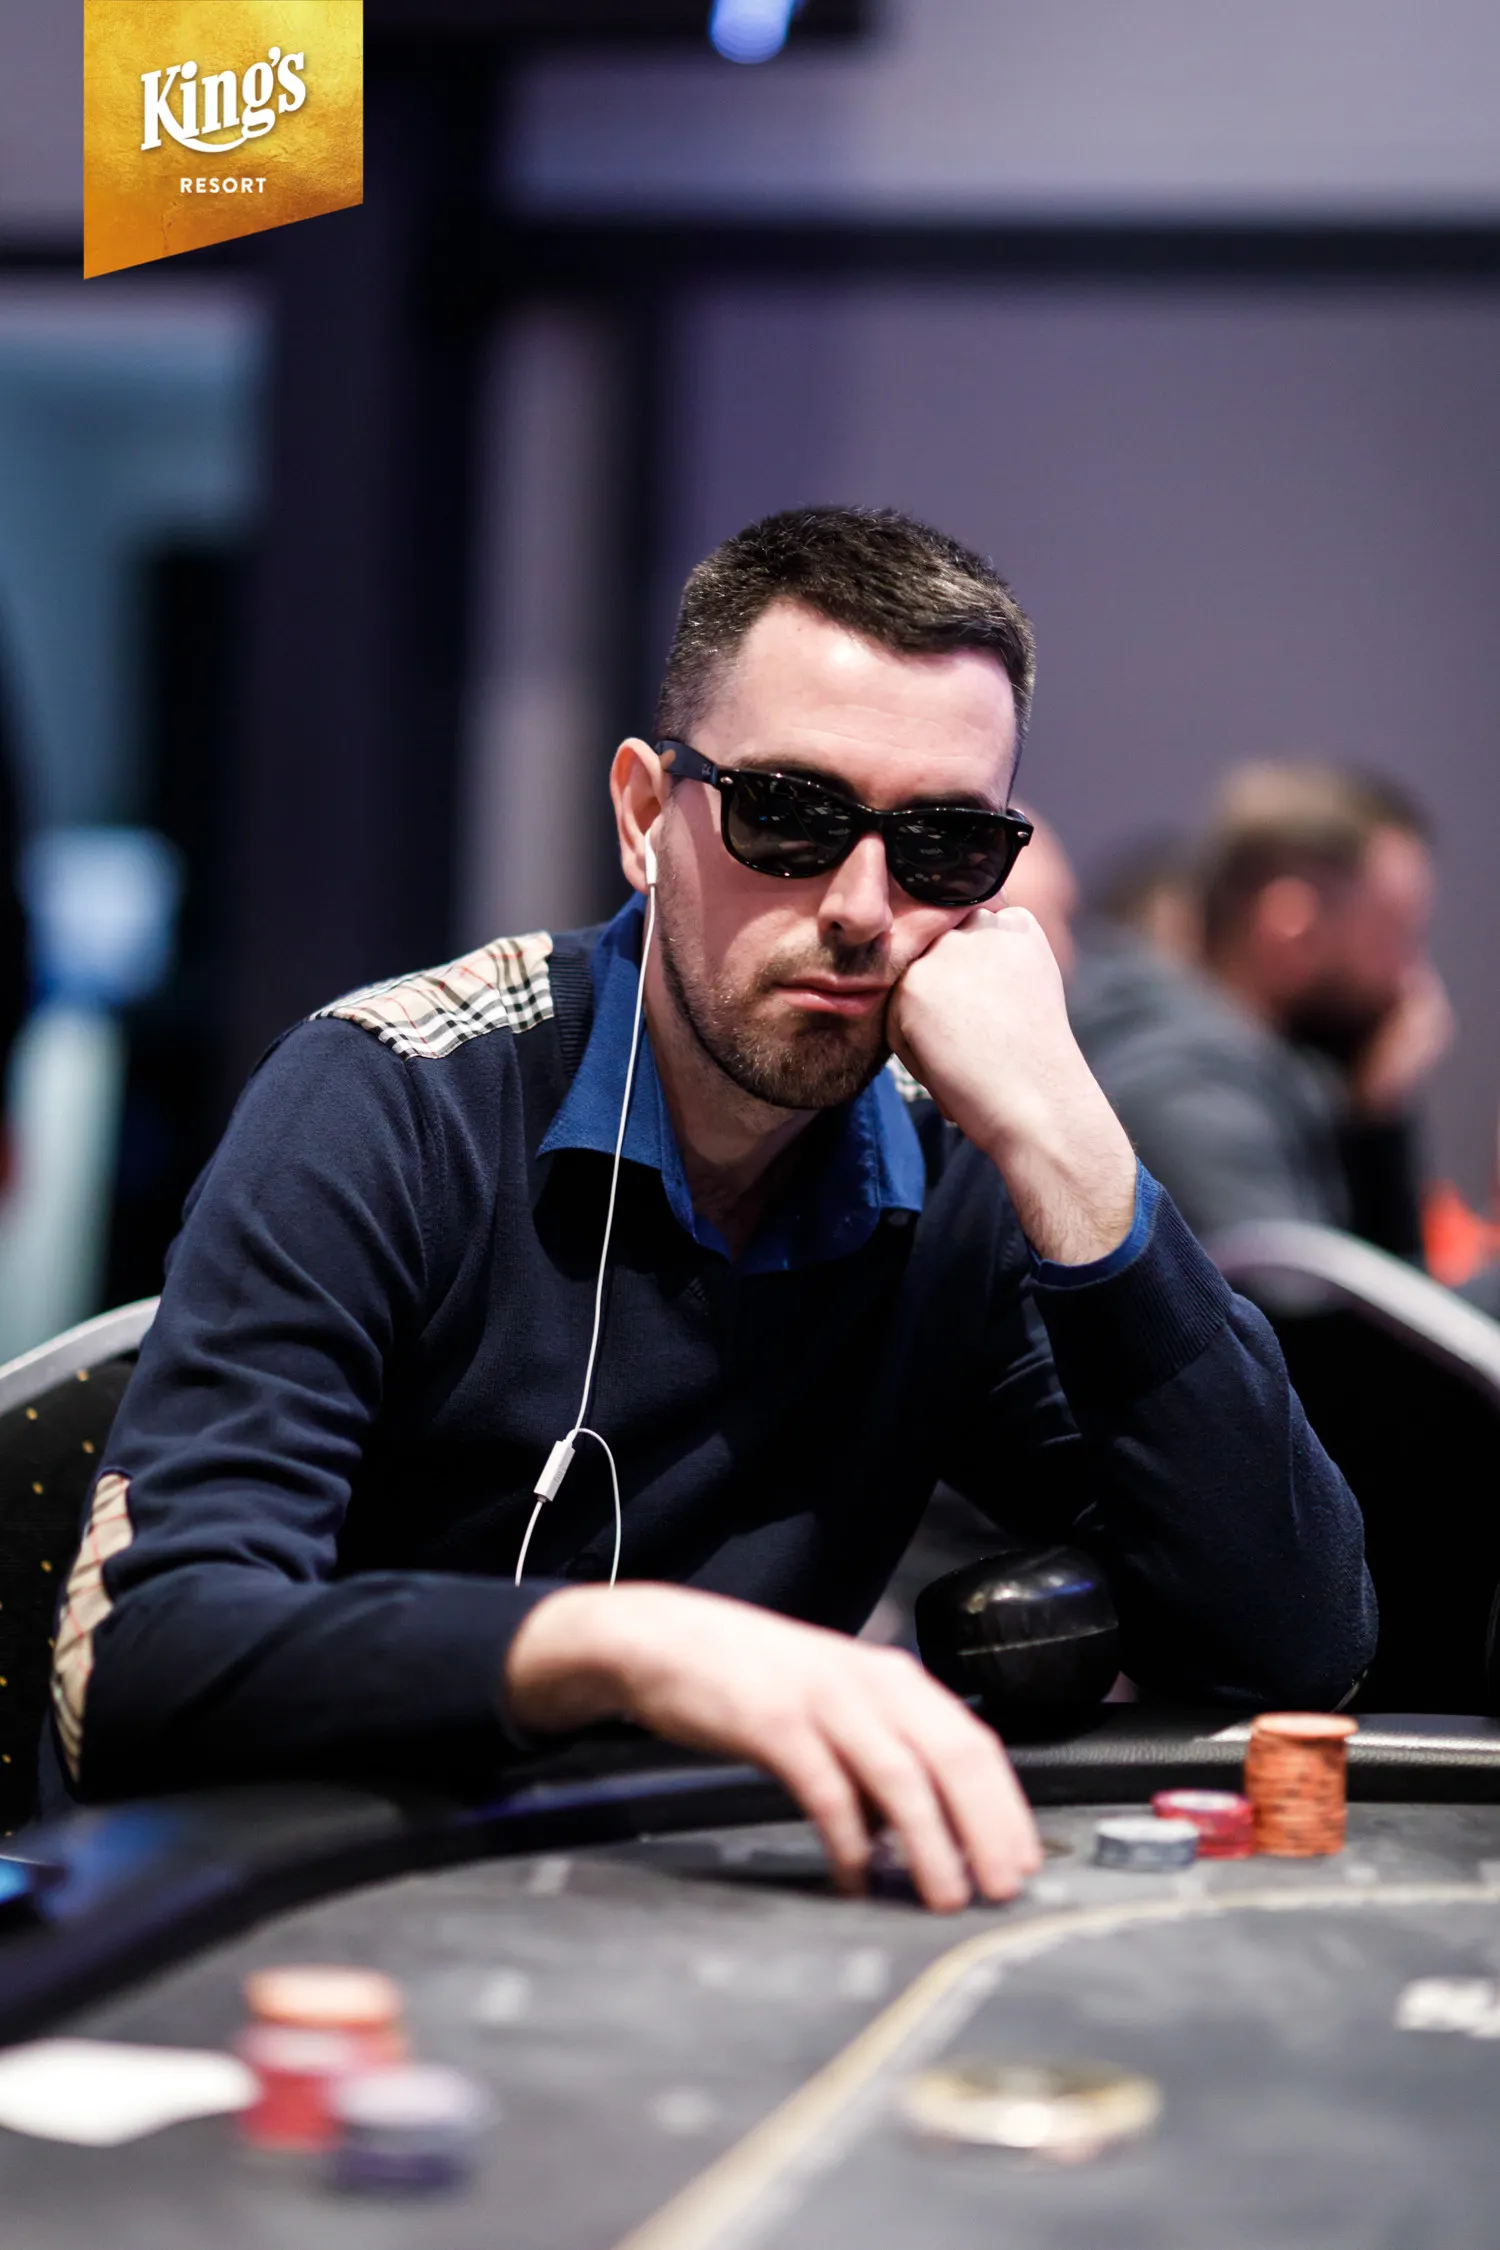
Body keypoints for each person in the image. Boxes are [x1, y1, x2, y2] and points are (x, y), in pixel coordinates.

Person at [48, 509, 1374, 1913]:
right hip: (303, 1909)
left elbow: (1294, 1647)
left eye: (940, 844)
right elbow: (143, 1666)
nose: (861, 907)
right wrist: (623, 1648)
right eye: (789, 815)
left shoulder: (960, 1166)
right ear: (642, 816)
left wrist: (1073, 1148)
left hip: (682, 1918)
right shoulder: (390, 1099)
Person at [1071, 764, 1449, 1259]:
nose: (1413, 980)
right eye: (1392, 935)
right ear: (1290, 929)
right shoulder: (1194, 1096)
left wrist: (1375, 1113)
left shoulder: (1267, 1079)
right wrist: (1380, 1135)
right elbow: (1305, 1305)